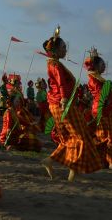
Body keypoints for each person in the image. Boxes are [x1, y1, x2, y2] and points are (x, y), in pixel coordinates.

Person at [41, 26, 102, 181]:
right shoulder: (55, 65)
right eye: (63, 48)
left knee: (70, 138)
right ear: (54, 50)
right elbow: (61, 83)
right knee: (80, 136)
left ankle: (51, 161)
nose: (65, 50)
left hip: (61, 104)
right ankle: (73, 170)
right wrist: (63, 99)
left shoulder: (54, 63)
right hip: (63, 104)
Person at [85, 48, 112, 170]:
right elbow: (102, 95)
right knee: (107, 136)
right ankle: (111, 162)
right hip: (101, 110)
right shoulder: (93, 79)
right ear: (96, 66)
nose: (105, 66)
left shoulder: (98, 78)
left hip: (107, 109)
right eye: (102, 64)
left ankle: (106, 162)